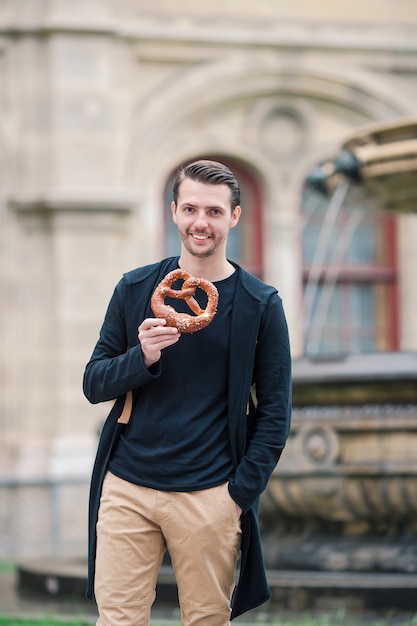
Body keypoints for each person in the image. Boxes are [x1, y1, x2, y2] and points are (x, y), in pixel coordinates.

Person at [83, 159, 292, 626]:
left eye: (215, 212)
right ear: (174, 212)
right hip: (128, 487)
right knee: (117, 620)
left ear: (234, 217)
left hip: (210, 492)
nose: (201, 222)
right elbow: (94, 382)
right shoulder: (136, 287)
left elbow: (275, 413)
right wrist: (143, 357)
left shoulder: (260, 304)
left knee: (205, 620)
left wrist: (237, 494)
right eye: (191, 209)